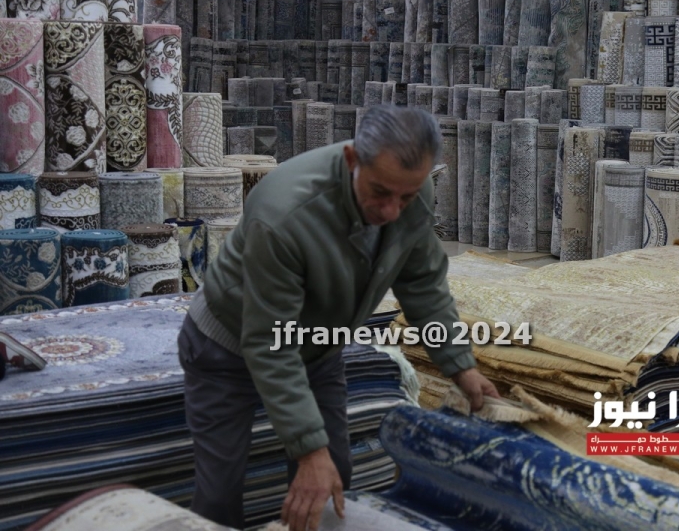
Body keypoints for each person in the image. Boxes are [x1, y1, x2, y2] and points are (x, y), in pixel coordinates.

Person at [178, 105, 500, 531]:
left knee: (334, 478)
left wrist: (461, 366)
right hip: (226, 344)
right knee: (219, 493)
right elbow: (270, 344)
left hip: (317, 345)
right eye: (380, 192)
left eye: (405, 197)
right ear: (352, 160)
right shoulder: (284, 214)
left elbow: (423, 284)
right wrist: (309, 451)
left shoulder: (410, 188)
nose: (392, 210)